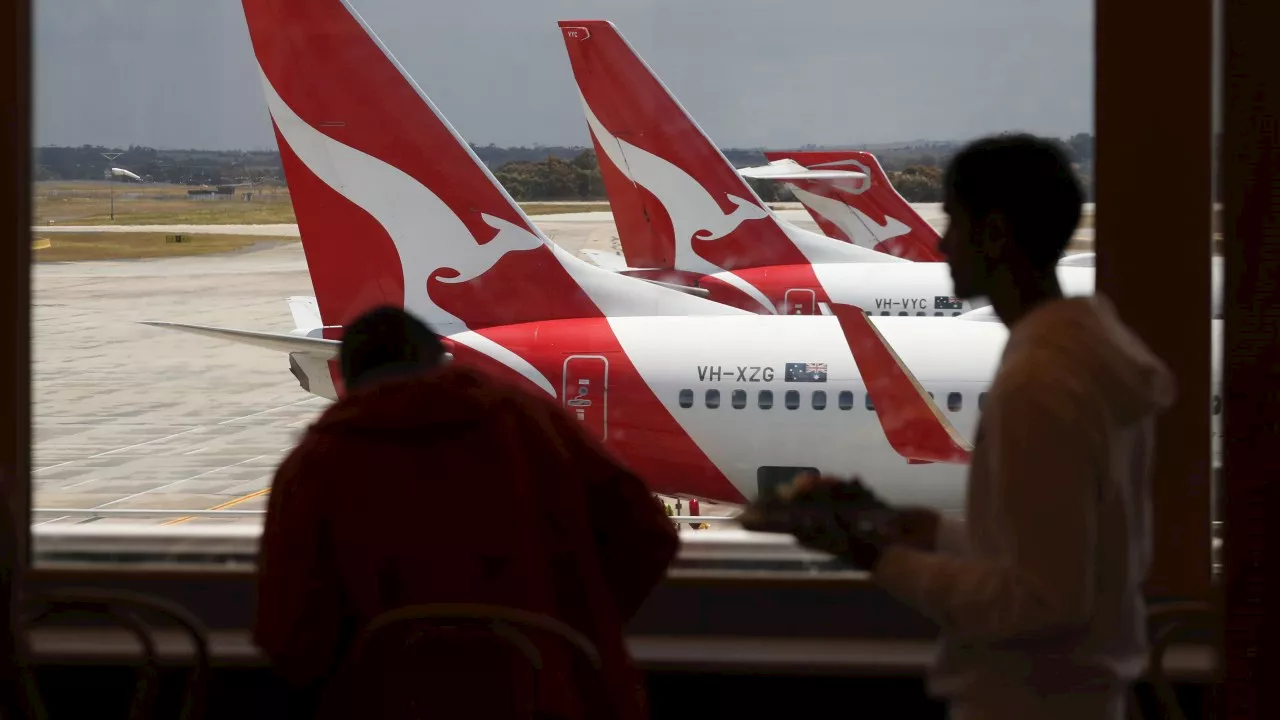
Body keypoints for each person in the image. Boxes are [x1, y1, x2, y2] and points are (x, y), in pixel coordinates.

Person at [759, 134, 1177, 720]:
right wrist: (919, 530)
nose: (940, 243)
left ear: (996, 235)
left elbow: (1041, 603)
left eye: (953, 221)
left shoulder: (1041, 383)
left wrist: (871, 553)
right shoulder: (1087, 354)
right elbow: (1053, 557)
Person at [254, 306, 679, 719]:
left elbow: (286, 630)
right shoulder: (530, 423)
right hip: (551, 697)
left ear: (348, 379)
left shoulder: (317, 463)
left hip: (383, 703)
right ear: (440, 365)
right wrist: (579, 630)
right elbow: (648, 538)